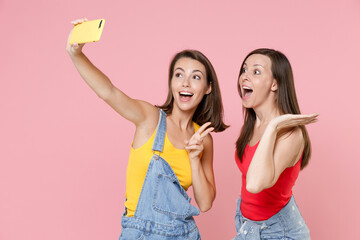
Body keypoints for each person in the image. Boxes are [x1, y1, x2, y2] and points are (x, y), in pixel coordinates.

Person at [66, 19, 228, 240]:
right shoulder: (150, 118)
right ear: (171, 82)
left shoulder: (203, 139)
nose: (185, 83)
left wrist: (194, 158)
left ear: (208, 88)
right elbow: (109, 92)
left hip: (185, 234)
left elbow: (206, 203)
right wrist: (77, 54)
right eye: (178, 75)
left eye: (195, 77)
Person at [233, 48, 318, 240]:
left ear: (274, 84)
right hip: (249, 227)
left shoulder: (291, 135)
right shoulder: (252, 125)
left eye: (255, 72)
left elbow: (254, 184)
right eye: (244, 70)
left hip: (279, 232)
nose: (244, 77)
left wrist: (273, 127)